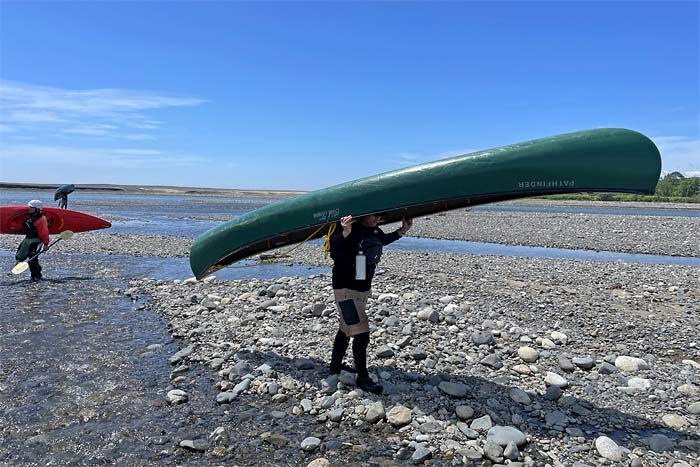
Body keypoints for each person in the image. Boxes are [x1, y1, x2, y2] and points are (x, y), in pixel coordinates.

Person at [328, 213, 413, 394]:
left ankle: (335, 366)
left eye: (381, 216)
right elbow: (334, 250)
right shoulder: (346, 228)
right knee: (361, 332)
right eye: (375, 216)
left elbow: (383, 240)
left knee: (346, 327)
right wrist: (345, 231)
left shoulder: (373, 229)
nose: (379, 219)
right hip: (345, 289)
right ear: (363, 215)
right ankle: (363, 378)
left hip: (362, 288)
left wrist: (402, 231)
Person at [15, 200, 50, 281]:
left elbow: (44, 232)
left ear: (37, 209)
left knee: (32, 258)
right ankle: (38, 269)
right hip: (28, 239)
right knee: (19, 256)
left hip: (36, 240)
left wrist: (46, 244)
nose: (29, 209)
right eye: (29, 207)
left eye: (31, 207)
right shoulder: (29, 217)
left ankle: (36, 276)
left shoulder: (42, 219)